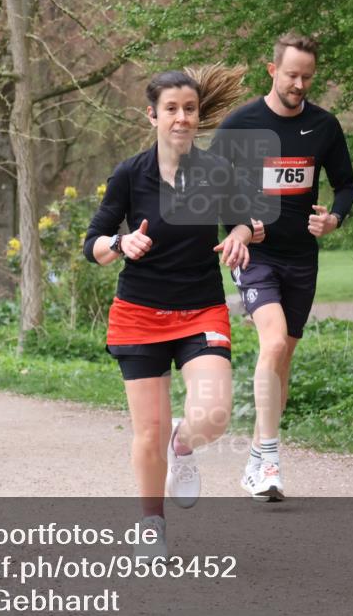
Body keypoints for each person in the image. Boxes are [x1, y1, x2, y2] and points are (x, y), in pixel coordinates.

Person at [83, 68, 252, 560]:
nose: (182, 117)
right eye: (172, 109)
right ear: (152, 115)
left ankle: (185, 446)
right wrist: (119, 242)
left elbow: (241, 220)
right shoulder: (130, 174)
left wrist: (240, 235)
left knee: (215, 414)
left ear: (199, 115)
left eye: (190, 109)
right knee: (147, 431)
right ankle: (152, 524)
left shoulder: (217, 171)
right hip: (138, 313)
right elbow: (91, 243)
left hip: (201, 309)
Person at [210, 33, 353, 502]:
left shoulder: (324, 126)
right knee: (272, 343)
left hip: (302, 258)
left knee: (283, 358)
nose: (299, 84)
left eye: (307, 77)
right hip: (256, 256)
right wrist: (236, 225)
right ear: (273, 71)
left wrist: (334, 217)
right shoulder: (241, 125)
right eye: (292, 75)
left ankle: (256, 458)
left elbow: (347, 185)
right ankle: (271, 457)